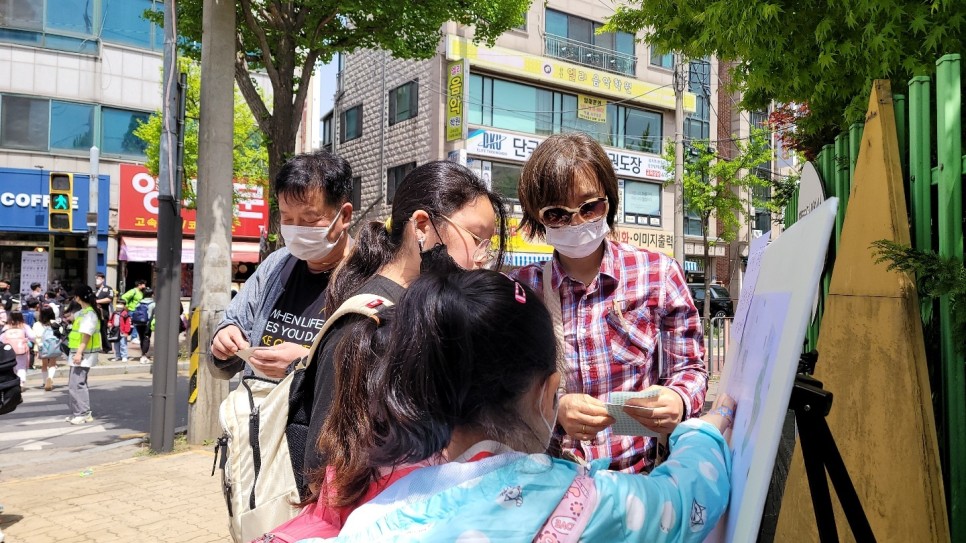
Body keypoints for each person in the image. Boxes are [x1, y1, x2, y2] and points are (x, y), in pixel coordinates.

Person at [308, 270, 734, 542]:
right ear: (549, 394)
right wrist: (703, 431)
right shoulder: (588, 503)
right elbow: (684, 499)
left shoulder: (374, 516)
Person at [291, 160, 509, 499]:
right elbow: (324, 471)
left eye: (488, 244)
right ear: (421, 226)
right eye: (476, 238)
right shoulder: (365, 321)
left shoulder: (424, 309)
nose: (484, 257)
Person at [511, 132, 708, 474]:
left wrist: (678, 399)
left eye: (590, 207)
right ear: (537, 217)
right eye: (557, 213)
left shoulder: (658, 274)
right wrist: (553, 408)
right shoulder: (521, 290)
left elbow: (690, 369)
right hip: (553, 481)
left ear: (609, 201)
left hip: (640, 478)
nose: (576, 222)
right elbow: (503, 388)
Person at [209, 151, 356, 380]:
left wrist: (305, 364)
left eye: (309, 219)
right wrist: (225, 339)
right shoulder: (276, 265)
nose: (296, 228)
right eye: (287, 218)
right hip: (259, 401)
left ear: (344, 216)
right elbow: (234, 325)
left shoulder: (371, 277)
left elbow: (379, 373)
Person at [65, 285, 101, 425]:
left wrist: (79, 353)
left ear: (78, 297)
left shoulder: (89, 314)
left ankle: (83, 413)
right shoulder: (83, 312)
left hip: (84, 354)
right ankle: (78, 412)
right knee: (74, 384)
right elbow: (71, 317)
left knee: (77, 384)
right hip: (78, 353)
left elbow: (86, 336)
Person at [0, 310, 36, 391]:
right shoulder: (24, 326)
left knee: (12, 367)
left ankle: (14, 383)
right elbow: (32, 336)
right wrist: (28, 340)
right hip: (21, 350)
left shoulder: (6, 327)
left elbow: (1, 338)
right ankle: (21, 383)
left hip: (9, 351)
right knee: (21, 366)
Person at [35, 306, 62, 391]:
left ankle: (44, 381)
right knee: (52, 364)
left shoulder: (37, 324)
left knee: (44, 364)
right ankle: (50, 378)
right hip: (53, 345)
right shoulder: (55, 323)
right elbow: (60, 332)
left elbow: (35, 335)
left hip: (42, 346)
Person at [132, 287, 155, 363]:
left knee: (141, 338)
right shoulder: (153, 304)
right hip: (147, 323)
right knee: (146, 338)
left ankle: (143, 353)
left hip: (138, 323)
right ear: (152, 295)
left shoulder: (139, 303)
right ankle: (143, 356)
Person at [94, 272, 115, 354]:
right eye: (96, 278)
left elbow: (109, 299)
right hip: (93, 312)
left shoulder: (108, 289)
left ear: (102, 279)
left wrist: (97, 301)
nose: (96, 280)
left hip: (103, 312)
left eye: (98, 278)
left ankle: (107, 348)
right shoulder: (93, 288)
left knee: (104, 331)